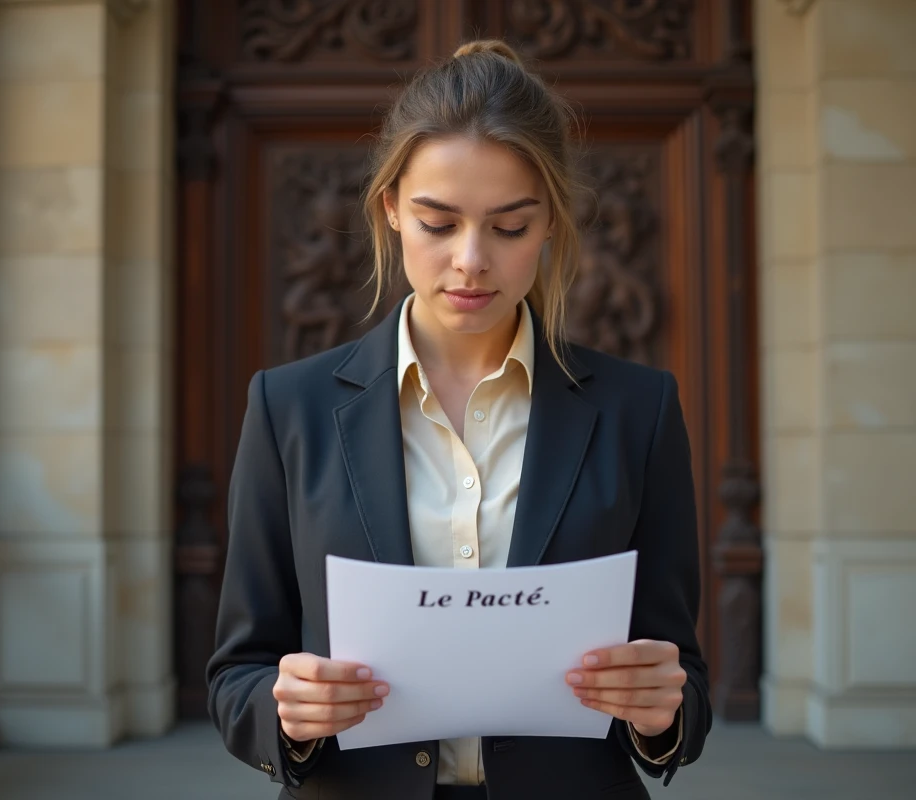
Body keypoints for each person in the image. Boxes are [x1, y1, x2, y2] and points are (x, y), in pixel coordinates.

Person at [206, 39, 711, 800]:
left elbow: (684, 686)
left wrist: (659, 712)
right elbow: (237, 676)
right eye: (438, 223)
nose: (471, 260)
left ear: (549, 226)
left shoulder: (637, 410)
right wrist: (288, 712)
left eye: (509, 227)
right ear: (390, 212)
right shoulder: (291, 407)